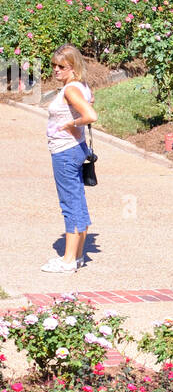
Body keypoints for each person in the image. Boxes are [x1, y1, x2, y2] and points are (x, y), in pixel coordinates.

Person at [43, 45, 98, 274]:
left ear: (73, 67)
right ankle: (77, 256)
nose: (56, 70)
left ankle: (67, 260)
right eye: (53, 65)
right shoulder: (80, 86)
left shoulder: (70, 90)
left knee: (70, 204)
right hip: (75, 149)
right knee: (77, 200)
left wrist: (71, 123)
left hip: (66, 152)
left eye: (61, 66)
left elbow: (90, 116)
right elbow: (89, 104)